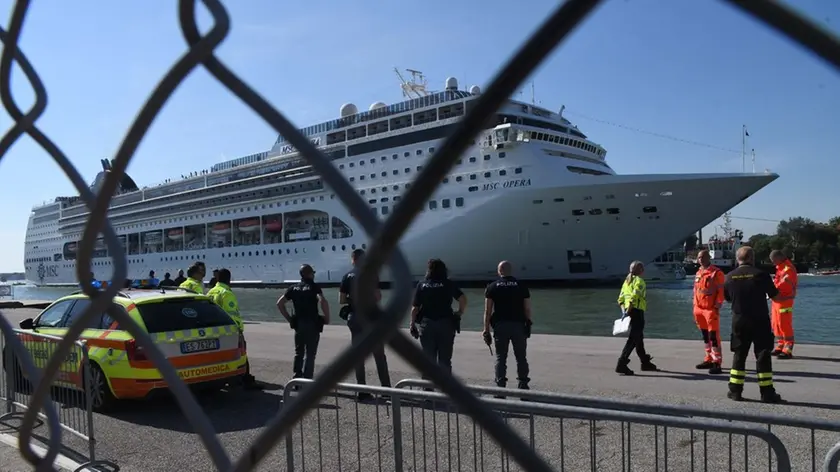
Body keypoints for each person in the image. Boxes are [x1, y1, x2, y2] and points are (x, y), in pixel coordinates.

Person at [723, 246, 783, 403]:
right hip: (759, 319)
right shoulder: (761, 275)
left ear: (738, 259)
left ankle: (735, 391)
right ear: (751, 258)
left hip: (739, 319)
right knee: (763, 354)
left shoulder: (729, 277)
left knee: (739, 354)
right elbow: (775, 295)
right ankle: (767, 392)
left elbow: (728, 298)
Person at [339, 249, 391, 401]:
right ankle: (386, 389)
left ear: (353, 259)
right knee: (379, 354)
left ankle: (361, 389)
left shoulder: (346, 276)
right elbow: (377, 295)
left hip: (354, 317)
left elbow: (341, 300)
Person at [409, 259, 466, 378]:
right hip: (446, 324)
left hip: (427, 324)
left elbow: (415, 308)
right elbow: (462, 299)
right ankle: (446, 391)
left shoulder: (422, 285)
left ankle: (427, 392)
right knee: (445, 360)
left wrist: (412, 324)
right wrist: (459, 312)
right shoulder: (448, 283)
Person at [206, 268, 260, 389]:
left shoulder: (211, 292)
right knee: (241, 356)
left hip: (214, 330)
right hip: (229, 331)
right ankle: (245, 380)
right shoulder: (226, 293)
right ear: (229, 279)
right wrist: (238, 330)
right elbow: (232, 314)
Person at [483, 260, 532, 391]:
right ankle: (523, 384)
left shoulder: (492, 286)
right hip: (518, 325)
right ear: (511, 271)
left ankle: (500, 387)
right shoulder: (521, 286)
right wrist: (528, 323)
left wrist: (486, 330)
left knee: (500, 357)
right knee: (521, 356)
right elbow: (527, 309)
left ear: (500, 271)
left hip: (500, 326)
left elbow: (488, 311)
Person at [276, 264, 330, 380]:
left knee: (299, 352)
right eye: (313, 273)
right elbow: (322, 301)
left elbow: (280, 304)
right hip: (312, 323)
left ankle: (297, 378)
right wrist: (327, 317)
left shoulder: (293, 288)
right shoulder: (314, 287)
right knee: (310, 354)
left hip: (299, 324)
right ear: (310, 274)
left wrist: (289, 319)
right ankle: (307, 379)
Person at [615, 261, 657, 375]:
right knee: (633, 339)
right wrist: (629, 311)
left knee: (638, 338)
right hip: (637, 312)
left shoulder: (626, 282)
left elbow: (620, 299)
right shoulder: (640, 281)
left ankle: (645, 362)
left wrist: (624, 312)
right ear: (640, 270)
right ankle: (622, 363)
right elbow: (634, 298)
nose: (643, 270)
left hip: (629, 312)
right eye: (642, 268)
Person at [693, 250, 725, 374]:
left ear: (708, 257)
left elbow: (721, 291)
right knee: (705, 336)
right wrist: (695, 306)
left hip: (710, 309)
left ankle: (717, 362)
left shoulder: (716, 273)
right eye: (698, 257)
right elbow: (696, 290)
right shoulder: (699, 272)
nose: (700, 259)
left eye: (702, 257)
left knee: (714, 337)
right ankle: (708, 358)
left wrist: (717, 306)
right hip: (699, 309)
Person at [769, 250, 798, 359]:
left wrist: (772, 289)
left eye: (774, 260)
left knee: (784, 323)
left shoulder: (788, 269)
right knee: (776, 323)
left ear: (779, 258)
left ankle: (788, 348)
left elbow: (784, 284)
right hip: (777, 300)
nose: (773, 263)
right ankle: (781, 344)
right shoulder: (781, 269)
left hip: (784, 300)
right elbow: (777, 282)